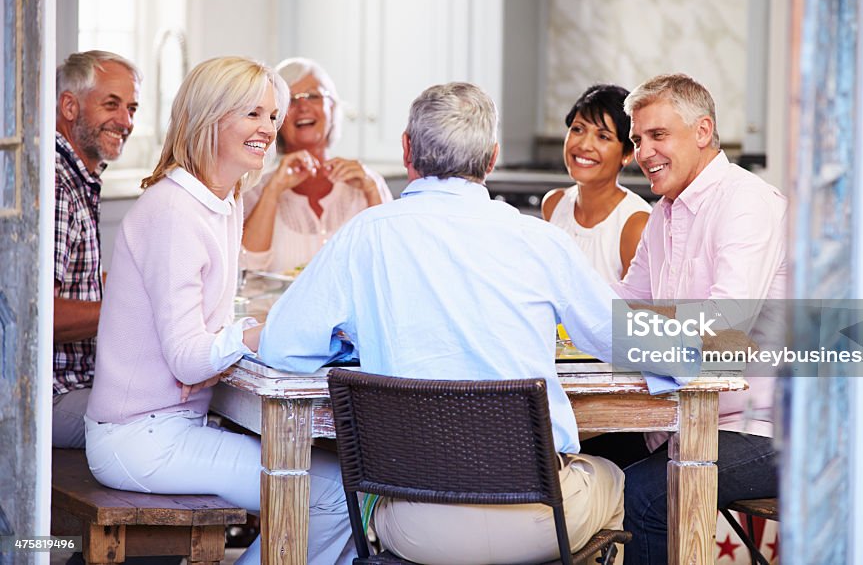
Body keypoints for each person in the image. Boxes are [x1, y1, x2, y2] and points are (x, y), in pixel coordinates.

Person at [260, 82, 625, 565]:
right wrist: (707, 344)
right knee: (615, 480)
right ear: (492, 158)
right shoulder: (539, 240)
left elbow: (281, 346)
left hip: (416, 526)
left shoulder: (365, 235)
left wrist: (349, 342)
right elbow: (625, 337)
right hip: (538, 519)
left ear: (407, 148)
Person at [84, 56, 354, 565]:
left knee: (341, 490)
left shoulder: (222, 202)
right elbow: (189, 358)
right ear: (210, 117)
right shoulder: (174, 211)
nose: (269, 129)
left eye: (272, 116)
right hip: (140, 437)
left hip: (173, 423)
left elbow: (200, 343)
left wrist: (217, 349)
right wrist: (254, 334)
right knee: (336, 495)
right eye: (253, 114)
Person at [613, 73, 786, 565]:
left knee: (642, 496)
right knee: (576, 465)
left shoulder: (745, 202)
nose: (643, 153)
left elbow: (724, 328)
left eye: (657, 135)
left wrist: (637, 328)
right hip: (680, 422)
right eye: (637, 139)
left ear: (703, 131)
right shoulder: (662, 214)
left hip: (762, 431)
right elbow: (623, 305)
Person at [53, 50, 141, 449]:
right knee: (185, 414)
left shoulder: (78, 176)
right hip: (50, 396)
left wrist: (143, 284)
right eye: (112, 104)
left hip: (78, 384)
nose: (126, 122)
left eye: (132, 108)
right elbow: (39, 315)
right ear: (69, 106)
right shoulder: (55, 184)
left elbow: (81, 285)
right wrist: (137, 310)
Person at [241, 57, 391, 274]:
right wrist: (272, 192)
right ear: (276, 118)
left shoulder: (369, 183)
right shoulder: (255, 188)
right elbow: (246, 267)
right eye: (291, 100)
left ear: (332, 108)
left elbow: (390, 264)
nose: (303, 107)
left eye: (313, 96)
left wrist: (371, 191)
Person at [542, 84, 650, 283]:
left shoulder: (636, 224)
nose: (584, 145)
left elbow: (635, 311)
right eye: (578, 129)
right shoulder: (553, 203)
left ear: (627, 154)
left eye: (603, 136)